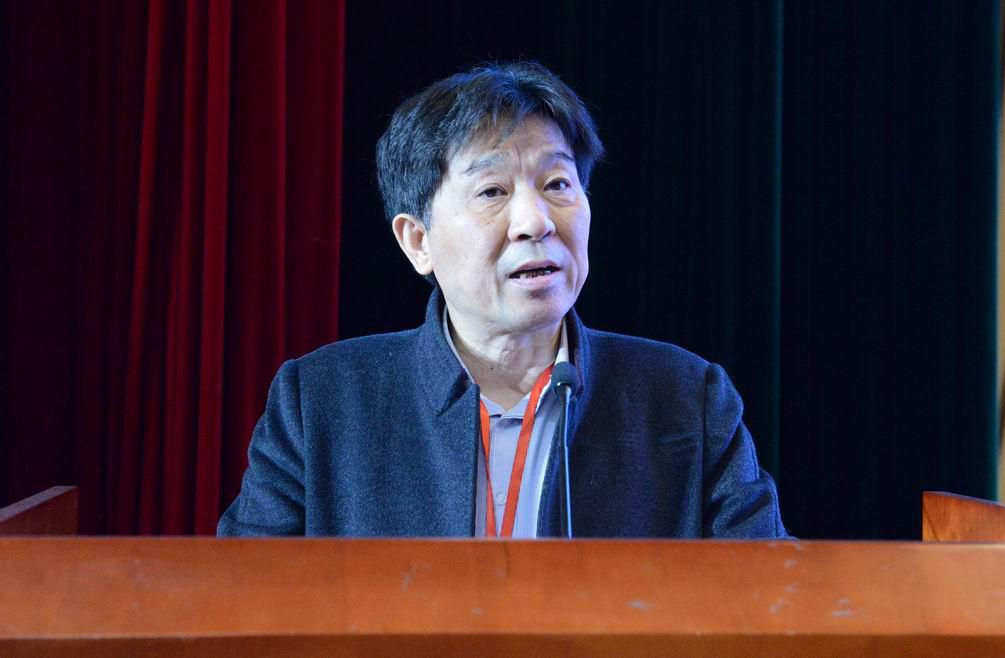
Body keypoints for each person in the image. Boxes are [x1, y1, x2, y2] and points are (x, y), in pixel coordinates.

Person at [218, 61, 787, 538]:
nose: (535, 221)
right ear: (418, 242)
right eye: (492, 191)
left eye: (558, 184)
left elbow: (772, 604)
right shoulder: (321, 404)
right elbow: (242, 608)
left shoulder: (686, 400)